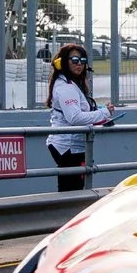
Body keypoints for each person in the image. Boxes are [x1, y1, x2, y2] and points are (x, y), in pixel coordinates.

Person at [46, 40, 111, 190]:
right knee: (71, 191)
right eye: (74, 60)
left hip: (72, 147)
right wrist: (103, 113)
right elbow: (74, 118)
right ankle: (67, 213)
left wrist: (99, 114)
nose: (79, 64)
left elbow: (79, 113)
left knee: (75, 188)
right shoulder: (65, 87)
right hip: (68, 148)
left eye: (82, 61)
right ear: (62, 63)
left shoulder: (71, 84)